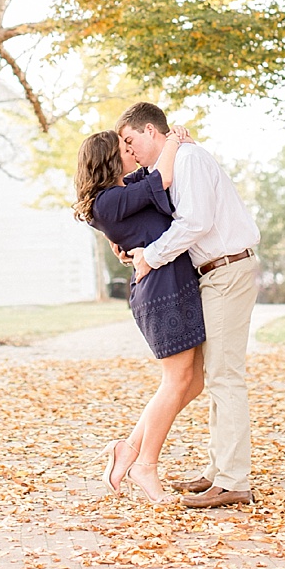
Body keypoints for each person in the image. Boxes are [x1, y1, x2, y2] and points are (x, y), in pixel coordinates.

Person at [117, 102, 261, 509]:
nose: (131, 152)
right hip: (214, 274)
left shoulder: (192, 159)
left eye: (132, 141)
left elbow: (195, 222)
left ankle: (234, 480)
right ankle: (219, 473)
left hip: (227, 269)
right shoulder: (176, 162)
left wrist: (151, 255)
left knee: (224, 376)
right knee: (216, 375)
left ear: (151, 131)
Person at [73, 126, 203, 504]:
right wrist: (175, 138)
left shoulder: (118, 194)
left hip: (174, 280)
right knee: (177, 380)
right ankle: (145, 465)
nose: (131, 150)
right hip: (159, 289)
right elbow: (161, 177)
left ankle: (127, 449)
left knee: (192, 382)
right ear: (109, 159)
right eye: (123, 147)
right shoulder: (109, 201)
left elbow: (153, 182)